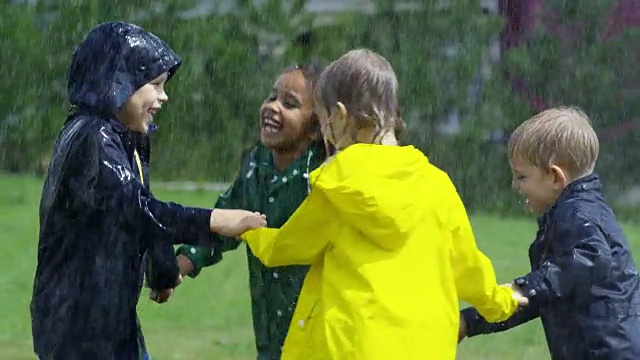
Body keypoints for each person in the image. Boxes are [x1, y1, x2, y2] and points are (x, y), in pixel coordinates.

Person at [237, 49, 527, 360]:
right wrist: (500, 302)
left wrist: (251, 231)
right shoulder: (436, 184)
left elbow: (286, 247)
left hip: (350, 348)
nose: (324, 134)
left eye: (323, 122)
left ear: (338, 115)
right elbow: (468, 266)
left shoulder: (338, 189)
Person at [31, 21, 265, 360]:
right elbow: (136, 208)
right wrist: (213, 220)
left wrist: (162, 267)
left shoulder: (130, 137)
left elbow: (140, 210)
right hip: (76, 325)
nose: (163, 96)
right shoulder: (91, 137)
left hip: (113, 317)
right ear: (117, 82)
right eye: (154, 84)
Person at [174, 61, 328, 360]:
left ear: (314, 128)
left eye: (290, 103)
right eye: (272, 97)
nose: (273, 107)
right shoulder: (257, 165)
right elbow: (224, 220)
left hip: (315, 340)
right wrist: (181, 263)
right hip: (269, 339)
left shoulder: (323, 176)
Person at [459, 106, 640, 359]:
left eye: (522, 177)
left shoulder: (580, 217)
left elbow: (586, 260)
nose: (515, 186)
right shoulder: (573, 215)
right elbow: (541, 296)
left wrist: (525, 289)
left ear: (555, 177)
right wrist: (470, 322)